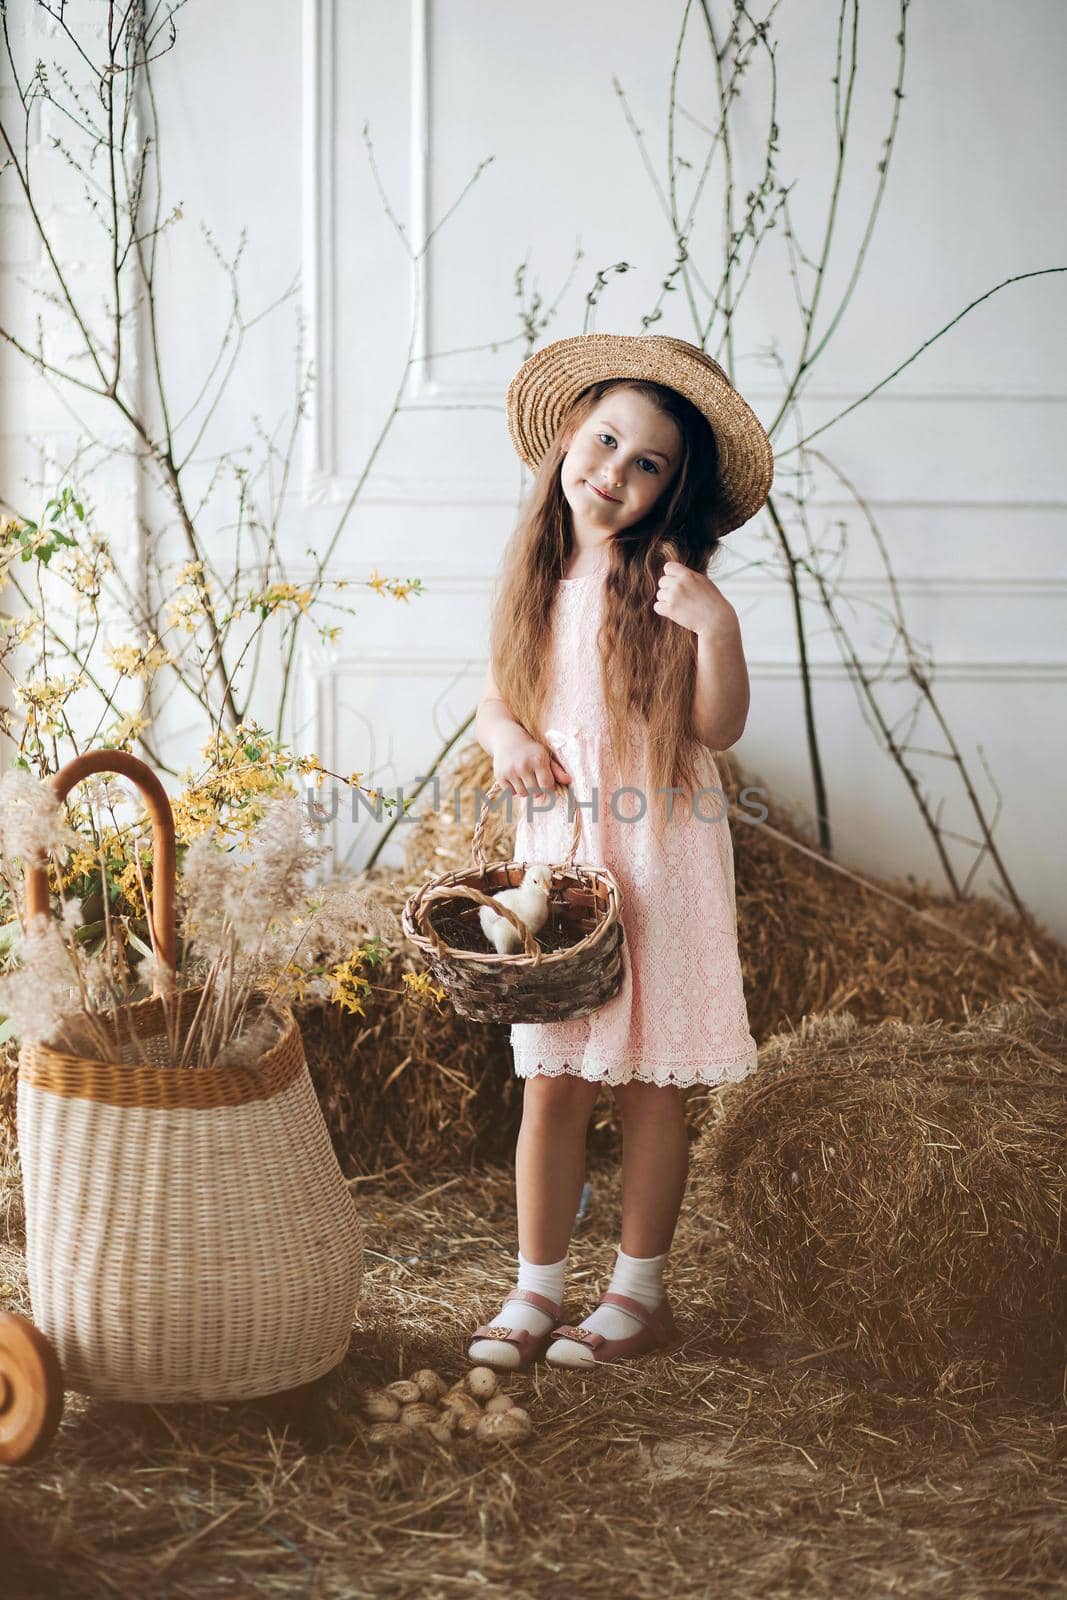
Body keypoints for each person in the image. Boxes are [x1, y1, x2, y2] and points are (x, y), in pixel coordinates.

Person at [469, 333, 773, 1370]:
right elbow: (497, 691)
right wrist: (504, 736)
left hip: (662, 858)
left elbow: (717, 728)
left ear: (669, 489)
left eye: (647, 463)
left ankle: (636, 1294)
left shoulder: (668, 586)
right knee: (552, 1077)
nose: (614, 471)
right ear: (566, 437)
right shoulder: (534, 575)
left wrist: (717, 629)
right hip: (560, 858)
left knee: (650, 1081)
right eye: (604, 440)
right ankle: (534, 1289)